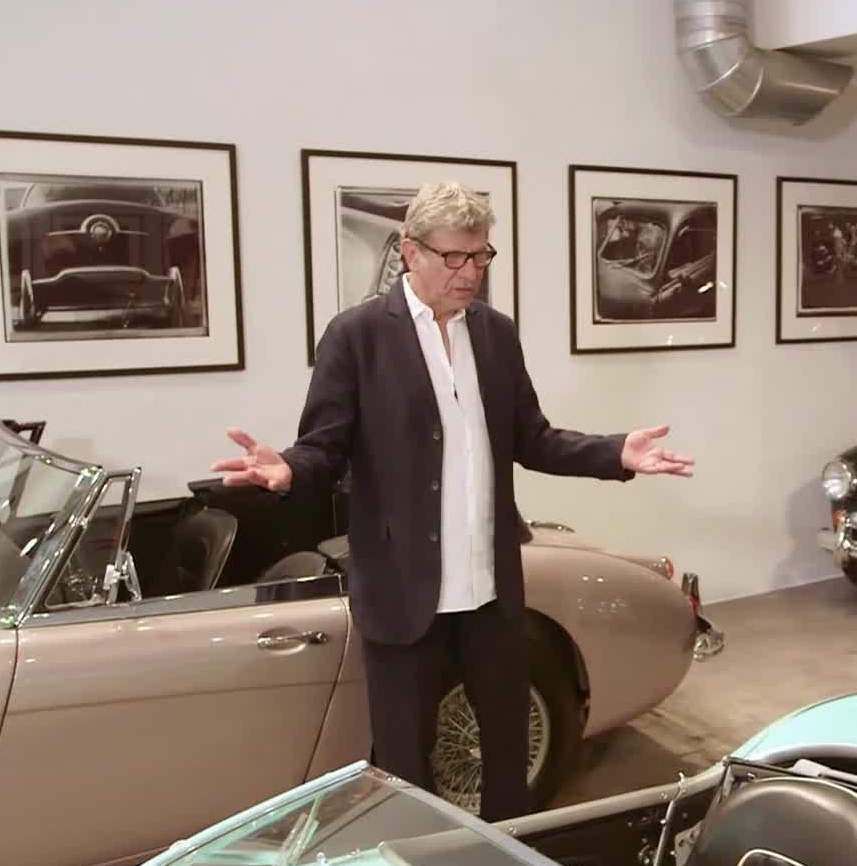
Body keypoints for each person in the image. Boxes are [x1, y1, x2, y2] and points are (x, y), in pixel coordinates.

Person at [210, 181, 693, 821]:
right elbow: (324, 448)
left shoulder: (495, 335)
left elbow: (531, 438)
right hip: (402, 591)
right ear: (410, 252)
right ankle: (416, 865)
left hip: (490, 591)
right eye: (454, 257)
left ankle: (504, 856)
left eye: (481, 256)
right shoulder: (357, 336)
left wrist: (614, 453)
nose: (470, 273)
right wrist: (288, 469)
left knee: (508, 753)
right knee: (404, 763)